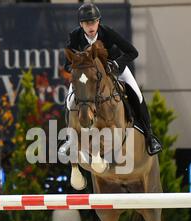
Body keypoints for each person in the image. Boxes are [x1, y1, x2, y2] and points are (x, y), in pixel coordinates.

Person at [59, 2, 163, 156]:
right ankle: (69, 138)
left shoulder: (107, 32)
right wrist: (78, 70)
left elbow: (132, 52)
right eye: (87, 23)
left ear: (98, 21)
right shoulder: (75, 36)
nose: (91, 26)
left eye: (94, 21)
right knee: (69, 99)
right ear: (81, 24)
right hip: (88, 77)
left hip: (115, 69)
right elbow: (67, 64)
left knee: (137, 95)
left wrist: (115, 63)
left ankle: (149, 136)